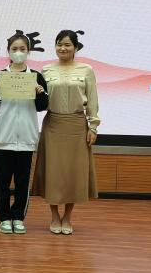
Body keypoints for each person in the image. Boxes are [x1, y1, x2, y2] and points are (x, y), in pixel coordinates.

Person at [32, 30, 100, 235]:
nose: (63, 48)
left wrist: (93, 127)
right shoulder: (46, 70)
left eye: (67, 44)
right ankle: (54, 215)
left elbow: (92, 100)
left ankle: (68, 217)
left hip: (77, 126)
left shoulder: (86, 70)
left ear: (76, 48)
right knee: (53, 172)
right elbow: (40, 101)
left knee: (73, 174)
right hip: (53, 124)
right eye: (59, 44)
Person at [0, 33, 48, 235]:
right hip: (4, 136)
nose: (18, 53)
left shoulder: (36, 77)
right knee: (2, 181)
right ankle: (4, 218)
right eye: (14, 49)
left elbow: (42, 106)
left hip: (26, 137)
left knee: (22, 182)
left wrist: (40, 92)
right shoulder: (0, 75)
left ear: (28, 51)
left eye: (22, 49)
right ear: (8, 51)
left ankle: (18, 217)